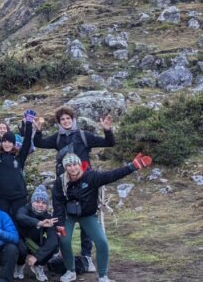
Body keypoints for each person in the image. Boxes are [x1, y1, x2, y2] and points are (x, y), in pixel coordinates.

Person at [33, 105, 117, 271]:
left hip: (86, 185)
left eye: (68, 118)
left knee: (86, 219)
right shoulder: (58, 138)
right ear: (59, 122)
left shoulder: (84, 136)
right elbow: (39, 143)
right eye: (62, 119)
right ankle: (63, 253)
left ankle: (86, 256)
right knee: (63, 218)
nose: (65, 121)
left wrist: (107, 130)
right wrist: (38, 130)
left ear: (73, 120)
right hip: (65, 186)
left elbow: (109, 142)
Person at [54, 152, 151, 282]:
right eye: (69, 165)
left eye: (75, 164)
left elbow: (111, 176)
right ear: (65, 167)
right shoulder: (60, 181)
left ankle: (103, 276)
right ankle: (70, 271)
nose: (73, 168)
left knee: (102, 242)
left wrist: (132, 167)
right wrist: (60, 223)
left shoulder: (92, 176)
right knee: (64, 240)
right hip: (68, 214)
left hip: (88, 214)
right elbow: (58, 202)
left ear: (79, 164)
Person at [0, 106, 33, 219]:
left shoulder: (19, 157)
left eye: (9, 142)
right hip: (2, 197)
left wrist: (29, 123)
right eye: (4, 141)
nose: (7, 144)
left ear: (13, 144)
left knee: (19, 221)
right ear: (1, 143)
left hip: (19, 197)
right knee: (4, 221)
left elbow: (27, 142)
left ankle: (21, 237)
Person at [14, 185, 59, 282]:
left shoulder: (48, 216)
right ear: (32, 202)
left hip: (35, 243)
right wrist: (39, 223)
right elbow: (20, 217)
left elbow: (53, 240)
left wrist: (36, 257)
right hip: (21, 240)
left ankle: (39, 266)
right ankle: (19, 265)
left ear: (47, 205)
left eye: (44, 203)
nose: (40, 205)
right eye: (37, 201)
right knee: (20, 248)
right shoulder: (24, 209)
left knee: (55, 242)